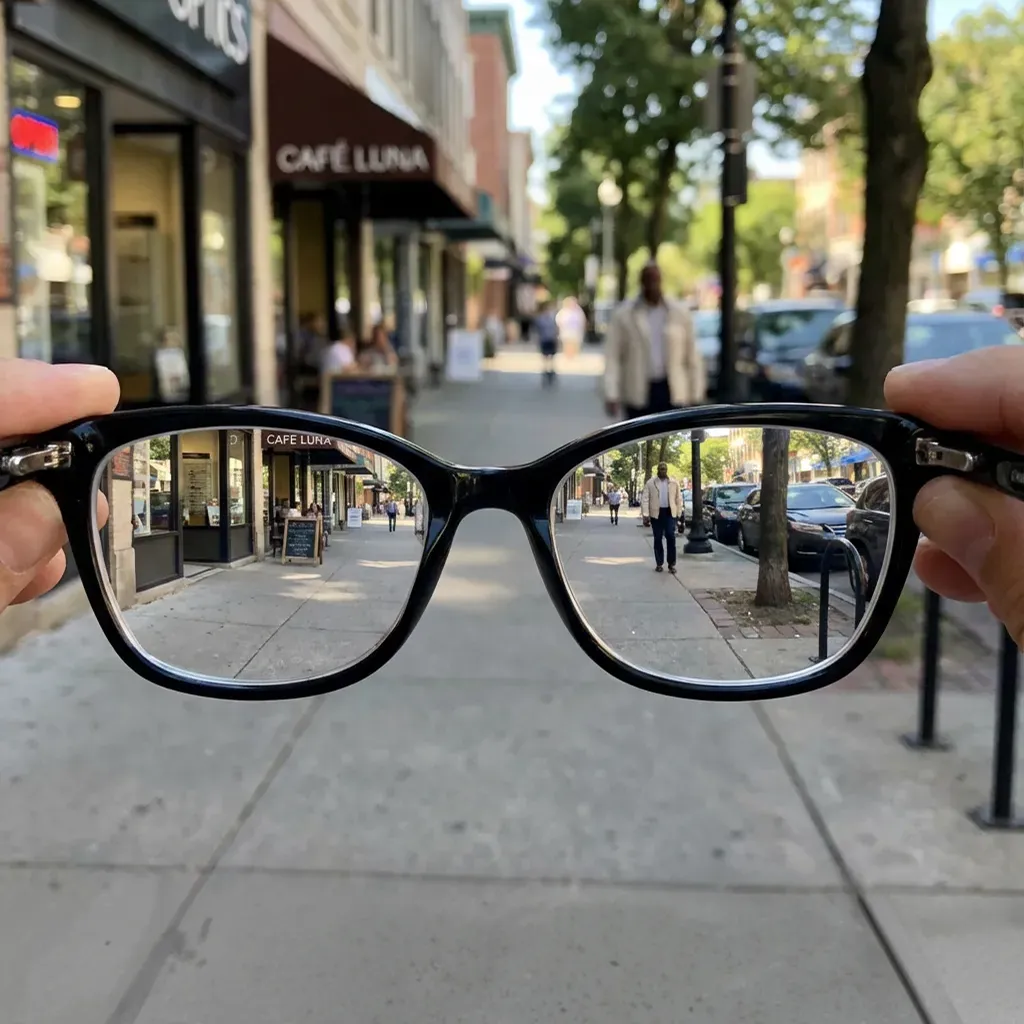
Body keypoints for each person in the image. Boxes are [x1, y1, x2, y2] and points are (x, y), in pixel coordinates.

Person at [604, 262, 706, 419]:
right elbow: (613, 356)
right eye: (648, 280)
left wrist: (696, 393)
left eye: (655, 279)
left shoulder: (679, 313)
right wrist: (612, 393)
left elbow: (692, 356)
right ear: (641, 282)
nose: (652, 285)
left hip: (672, 391)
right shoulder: (625, 315)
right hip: (638, 391)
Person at [641, 462, 683, 574]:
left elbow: (678, 499)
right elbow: (645, 499)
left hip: (669, 513)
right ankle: (659, 563)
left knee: (671, 536)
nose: (663, 471)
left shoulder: (674, 483)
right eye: (661, 469)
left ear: (667, 470)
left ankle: (671, 564)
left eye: (664, 469)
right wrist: (645, 514)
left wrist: (679, 513)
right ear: (657, 470)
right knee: (658, 538)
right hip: (656, 514)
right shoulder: (651, 483)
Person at [534, 299, 559, 383]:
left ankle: (551, 369)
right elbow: (537, 330)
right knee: (545, 355)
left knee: (551, 355)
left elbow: (556, 329)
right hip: (544, 339)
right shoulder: (540, 319)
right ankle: (546, 369)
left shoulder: (552, 318)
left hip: (551, 339)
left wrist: (556, 338)